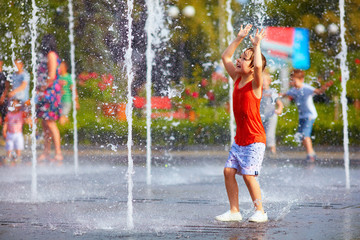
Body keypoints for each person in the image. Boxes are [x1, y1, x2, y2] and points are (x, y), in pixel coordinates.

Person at [215, 24, 268, 223]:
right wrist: (238, 38)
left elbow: (260, 66)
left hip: (255, 140)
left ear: (253, 67)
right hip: (240, 140)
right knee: (228, 171)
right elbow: (225, 58)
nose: (238, 60)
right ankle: (234, 211)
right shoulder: (237, 78)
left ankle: (260, 211)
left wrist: (256, 46)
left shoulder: (255, 85)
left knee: (248, 175)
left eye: (245, 59)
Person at [283, 69, 333, 162]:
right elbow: (283, 95)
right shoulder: (293, 90)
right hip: (302, 116)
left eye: (294, 80)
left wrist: (324, 87)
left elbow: (318, 92)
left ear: (301, 79)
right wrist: (270, 94)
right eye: (292, 80)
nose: (292, 82)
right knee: (301, 136)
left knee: (306, 135)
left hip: (310, 115)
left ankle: (310, 155)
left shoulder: (306, 88)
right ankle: (312, 153)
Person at [36, 34, 63, 162]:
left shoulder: (51, 55)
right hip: (45, 92)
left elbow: (51, 76)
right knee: (45, 123)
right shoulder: (47, 56)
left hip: (50, 92)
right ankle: (46, 152)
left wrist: (41, 88)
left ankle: (58, 152)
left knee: (50, 122)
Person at [260, 70, 283, 155]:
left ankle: (273, 152)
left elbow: (279, 103)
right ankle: (263, 152)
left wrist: (279, 109)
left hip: (271, 116)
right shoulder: (259, 92)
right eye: (260, 80)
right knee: (261, 135)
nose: (262, 82)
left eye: (264, 80)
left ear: (269, 81)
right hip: (261, 116)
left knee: (269, 134)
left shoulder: (272, 92)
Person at [2, 99, 29, 164]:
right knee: (9, 146)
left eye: (16, 105)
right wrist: (4, 131)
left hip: (18, 134)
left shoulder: (21, 114)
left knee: (18, 147)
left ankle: (18, 158)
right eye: (13, 105)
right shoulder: (8, 114)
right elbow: (5, 123)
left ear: (19, 106)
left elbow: (26, 118)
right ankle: (8, 157)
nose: (14, 107)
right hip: (10, 133)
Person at [0, 59, 10, 125]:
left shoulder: (5, 74)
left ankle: (5, 132)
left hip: (3, 98)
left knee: (5, 117)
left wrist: (3, 96)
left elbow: (7, 86)